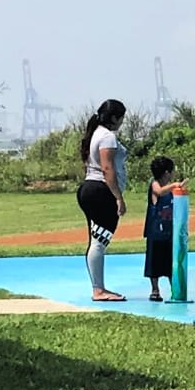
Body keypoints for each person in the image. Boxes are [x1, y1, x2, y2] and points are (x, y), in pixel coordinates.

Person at [75, 98, 129, 302]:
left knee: (96, 240)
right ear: (114, 118)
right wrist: (118, 197)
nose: (122, 122)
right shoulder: (107, 137)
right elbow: (107, 168)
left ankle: (98, 287)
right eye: (121, 118)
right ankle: (98, 290)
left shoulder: (95, 133)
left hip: (90, 188)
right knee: (99, 241)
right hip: (100, 191)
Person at [141, 154, 183, 301]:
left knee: (171, 261)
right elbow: (159, 192)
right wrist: (174, 185)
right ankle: (155, 289)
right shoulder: (155, 184)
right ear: (166, 173)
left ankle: (175, 289)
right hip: (155, 230)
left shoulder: (170, 189)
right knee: (154, 261)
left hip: (169, 230)